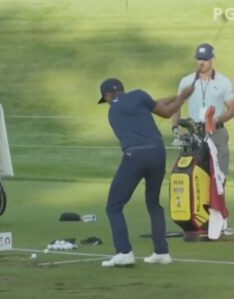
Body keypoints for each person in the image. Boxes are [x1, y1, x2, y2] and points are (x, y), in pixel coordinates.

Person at [98, 78, 194, 267]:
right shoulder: (139, 95)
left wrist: (180, 97)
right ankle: (161, 252)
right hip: (158, 153)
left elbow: (163, 108)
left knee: (114, 207)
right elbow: (163, 110)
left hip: (135, 155)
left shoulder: (113, 111)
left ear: (108, 95)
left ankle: (124, 252)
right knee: (153, 202)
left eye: (106, 98)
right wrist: (181, 97)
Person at [172, 43, 234, 177]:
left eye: (205, 59)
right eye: (199, 59)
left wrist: (216, 120)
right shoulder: (186, 81)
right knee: (195, 174)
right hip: (194, 132)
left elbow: (232, 109)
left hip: (217, 131)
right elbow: (177, 105)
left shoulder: (224, 82)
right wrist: (175, 127)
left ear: (212, 59)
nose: (202, 62)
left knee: (219, 176)